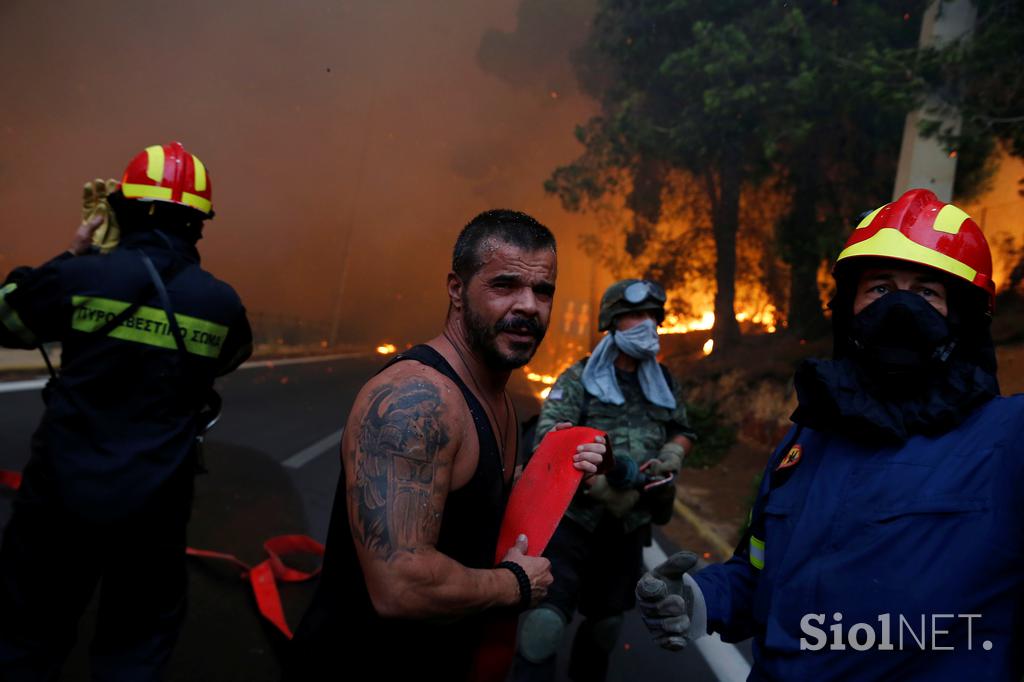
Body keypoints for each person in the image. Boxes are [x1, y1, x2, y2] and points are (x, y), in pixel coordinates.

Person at [636, 188, 1024, 680]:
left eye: (927, 292)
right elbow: (761, 573)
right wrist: (701, 598)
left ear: (964, 320)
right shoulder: (804, 442)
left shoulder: (1008, 442)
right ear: (848, 310)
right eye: (880, 289)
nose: (900, 309)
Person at [287, 210, 607, 680]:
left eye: (543, 291)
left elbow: (470, 505)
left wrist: (556, 474)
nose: (529, 306)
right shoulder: (417, 401)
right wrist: (515, 584)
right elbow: (400, 584)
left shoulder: (496, 397)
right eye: (505, 285)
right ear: (457, 289)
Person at [0, 142, 253, 681]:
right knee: (134, 648)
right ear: (199, 222)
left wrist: (74, 254)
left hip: (60, 496)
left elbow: (8, 318)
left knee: (28, 636)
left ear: (126, 208)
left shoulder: (80, 279)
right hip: (154, 506)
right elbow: (229, 357)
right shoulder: (221, 304)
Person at [513, 278, 697, 682]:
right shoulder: (580, 377)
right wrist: (593, 480)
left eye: (652, 316)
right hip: (574, 521)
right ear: (613, 321)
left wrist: (672, 453)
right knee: (543, 625)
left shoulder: (664, 383)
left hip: (628, 526)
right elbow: (547, 437)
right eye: (636, 315)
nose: (647, 323)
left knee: (606, 627)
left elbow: (683, 429)